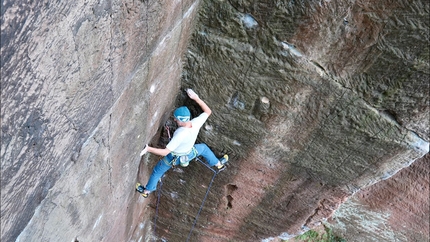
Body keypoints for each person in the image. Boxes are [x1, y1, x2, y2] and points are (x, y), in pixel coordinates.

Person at [136, 88, 228, 198]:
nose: (175, 121)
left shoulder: (180, 134)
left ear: (181, 120)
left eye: (176, 119)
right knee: (203, 148)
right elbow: (208, 112)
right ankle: (218, 164)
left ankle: (146, 191)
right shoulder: (195, 123)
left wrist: (148, 149)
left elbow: (165, 152)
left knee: (157, 171)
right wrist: (196, 98)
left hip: (176, 157)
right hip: (190, 152)